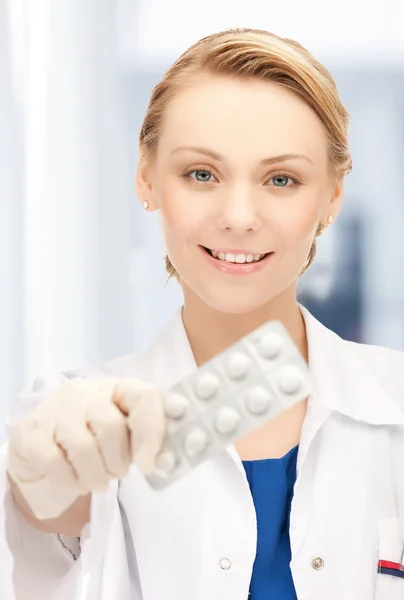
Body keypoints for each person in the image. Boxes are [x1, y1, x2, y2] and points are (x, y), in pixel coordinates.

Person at [1, 27, 404, 600]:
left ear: (332, 196)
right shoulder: (79, 410)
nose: (238, 216)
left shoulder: (395, 405)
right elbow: (45, 508)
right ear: (147, 178)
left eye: (281, 179)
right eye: (201, 174)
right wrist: (41, 473)